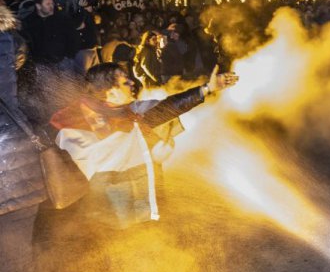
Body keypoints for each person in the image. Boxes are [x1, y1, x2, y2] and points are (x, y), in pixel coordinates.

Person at [49, 63, 239, 229]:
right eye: (125, 82)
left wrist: (207, 88)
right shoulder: (77, 128)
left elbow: (166, 109)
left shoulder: (128, 113)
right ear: (109, 92)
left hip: (137, 210)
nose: (133, 83)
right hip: (106, 218)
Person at [0, 4, 47, 272]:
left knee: (13, 269)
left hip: (10, 166)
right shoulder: (8, 40)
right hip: (16, 163)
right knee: (15, 268)